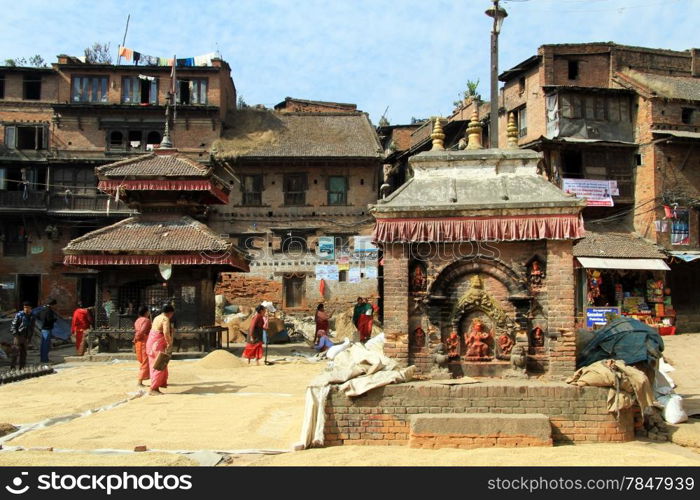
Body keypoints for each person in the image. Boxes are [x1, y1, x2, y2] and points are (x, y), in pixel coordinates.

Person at [146, 304, 175, 395]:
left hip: (151, 343)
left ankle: (156, 386)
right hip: (157, 344)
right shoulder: (165, 319)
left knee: (154, 365)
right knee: (159, 365)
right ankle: (154, 388)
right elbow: (166, 332)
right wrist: (169, 342)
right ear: (170, 313)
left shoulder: (157, 317)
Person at [9, 302, 34, 370]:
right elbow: (13, 325)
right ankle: (13, 367)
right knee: (15, 352)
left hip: (26, 337)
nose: (26, 309)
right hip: (18, 336)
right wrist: (16, 335)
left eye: (27, 307)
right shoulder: (19, 315)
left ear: (30, 308)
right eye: (25, 307)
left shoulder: (32, 316)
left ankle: (22, 367)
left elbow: (32, 328)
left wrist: (29, 338)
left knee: (24, 353)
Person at [133, 306, 151, 387]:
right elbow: (142, 331)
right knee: (145, 361)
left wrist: (135, 339)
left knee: (142, 360)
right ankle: (140, 381)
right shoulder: (146, 320)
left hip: (138, 342)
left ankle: (144, 377)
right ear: (146, 312)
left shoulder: (137, 320)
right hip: (144, 342)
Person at [37, 299, 58, 363]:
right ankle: (45, 360)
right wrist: (54, 319)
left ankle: (43, 359)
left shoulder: (42, 309)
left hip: (43, 328)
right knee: (46, 345)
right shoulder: (49, 310)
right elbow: (49, 319)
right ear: (52, 305)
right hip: (47, 329)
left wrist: (43, 322)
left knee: (43, 345)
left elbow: (38, 316)